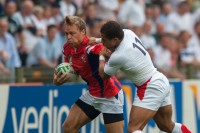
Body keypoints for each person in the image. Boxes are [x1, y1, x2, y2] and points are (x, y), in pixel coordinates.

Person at [97, 20, 191, 133]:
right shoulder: (128, 33)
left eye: (104, 40)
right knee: (166, 126)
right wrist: (94, 40)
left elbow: (103, 75)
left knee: (133, 129)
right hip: (160, 80)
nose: (102, 42)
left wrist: (101, 57)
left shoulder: (118, 56)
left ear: (115, 40)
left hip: (150, 86)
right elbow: (112, 44)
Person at [53, 16, 124, 133]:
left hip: (110, 95)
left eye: (72, 33)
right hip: (93, 94)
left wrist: (104, 51)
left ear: (82, 32)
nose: (68, 37)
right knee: (68, 128)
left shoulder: (91, 48)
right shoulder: (67, 48)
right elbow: (69, 70)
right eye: (66, 33)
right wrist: (57, 81)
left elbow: (105, 46)